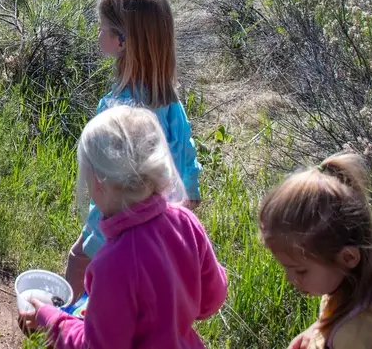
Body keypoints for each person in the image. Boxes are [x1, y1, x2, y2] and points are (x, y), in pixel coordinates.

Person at [18, 105, 228, 348]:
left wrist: (51, 320)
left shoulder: (112, 262)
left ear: (98, 182)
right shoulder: (186, 221)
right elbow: (211, 300)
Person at [63, 0, 203, 301]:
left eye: (102, 28)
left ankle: (62, 319)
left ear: (122, 41)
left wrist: (98, 221)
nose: (98, 34)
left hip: (116, 214)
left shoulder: (118, 109)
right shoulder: (169, 100)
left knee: (80, 260)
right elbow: (185, 152)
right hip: (157, 216)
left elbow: (108, 175)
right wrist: (189, 194)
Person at [260, 153, 372, 349]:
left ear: (348, 257)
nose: (289, 278)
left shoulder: (356, 335)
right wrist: (317, 331)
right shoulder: (354, 285)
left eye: (301, 270)